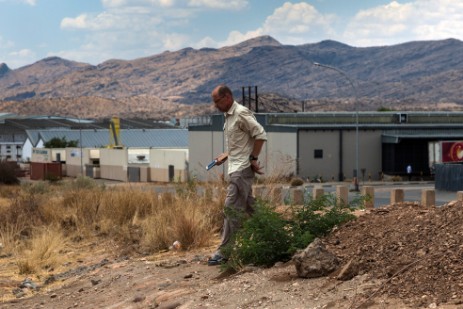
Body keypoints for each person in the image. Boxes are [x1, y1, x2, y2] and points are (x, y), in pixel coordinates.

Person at [208, 84, 267, 266]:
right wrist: (226, 155)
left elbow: (260, 134)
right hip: (235, 166)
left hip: (241, 170)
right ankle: (274, 234)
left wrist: (254, 158)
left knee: (231, 208)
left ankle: (224, 251)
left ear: (227, 97)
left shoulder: (241, 113)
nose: (216, 105)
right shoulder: (229, 117)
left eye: (217, 101)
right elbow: (240, 143)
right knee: (251, 207)